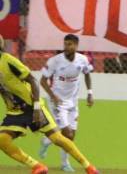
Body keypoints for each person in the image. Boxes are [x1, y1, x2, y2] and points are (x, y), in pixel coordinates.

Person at [0, 34, 100, 174]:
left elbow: (33, 81)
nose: (67, 46)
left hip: (32, 105)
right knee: (2, 140)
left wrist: (36, 108)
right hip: (15, 111)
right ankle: (37, 166)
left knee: (58, 138)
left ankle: (89, 167)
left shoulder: (8, 60)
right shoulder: (55, 61)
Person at [38, 34, 95, 173]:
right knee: (67, 134)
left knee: (71, 136)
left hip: (73, 102)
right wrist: (53, 96)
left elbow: (87, 74)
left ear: (76, 45)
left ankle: (47, 141)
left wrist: (90, 93)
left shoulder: (82, 60)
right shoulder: (55, 61)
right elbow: (42, 81)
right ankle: (65, 163)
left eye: (69, 44)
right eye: (65, 44)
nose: (66, 47)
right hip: (57, 102)